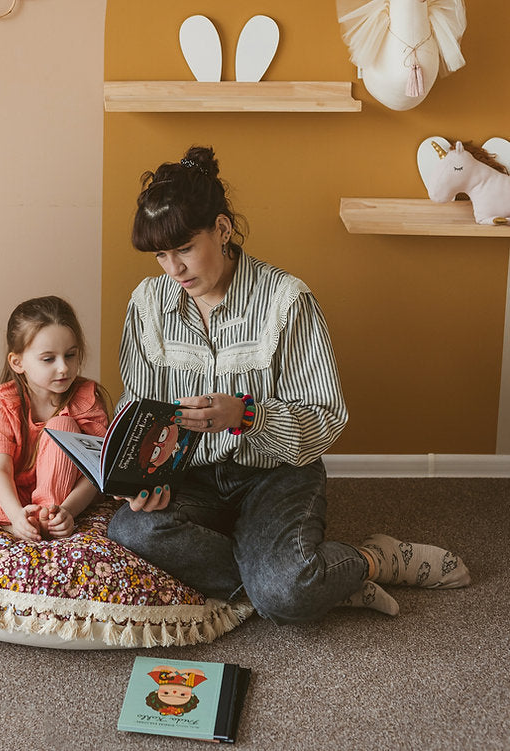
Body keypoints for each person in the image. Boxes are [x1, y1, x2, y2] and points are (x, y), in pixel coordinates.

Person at [107, 146, 470, 624]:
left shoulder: (286, 301)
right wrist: (142, 479)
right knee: (131, 530)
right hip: (191, 475)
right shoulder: (147, 304)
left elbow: (325, 418)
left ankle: (372, 559)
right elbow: (139, 407)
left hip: (275, 475)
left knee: (284, 593)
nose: (173, 269)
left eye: (185, 249)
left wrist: (245, 414)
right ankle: (297, 578)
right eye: (161, 255)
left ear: (221, 228)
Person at [0, 296, 109, 542]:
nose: (63, 368)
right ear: (18, 362)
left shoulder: (86, 400)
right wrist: (15, 516)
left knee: (62, 426)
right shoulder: (6, 402)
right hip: (8, 496)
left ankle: (46, 519)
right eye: (49, 359)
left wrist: (66, 511)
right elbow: (1, 470)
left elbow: (96, 471)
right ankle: (13, 525)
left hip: (61, 497)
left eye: (70, 355)